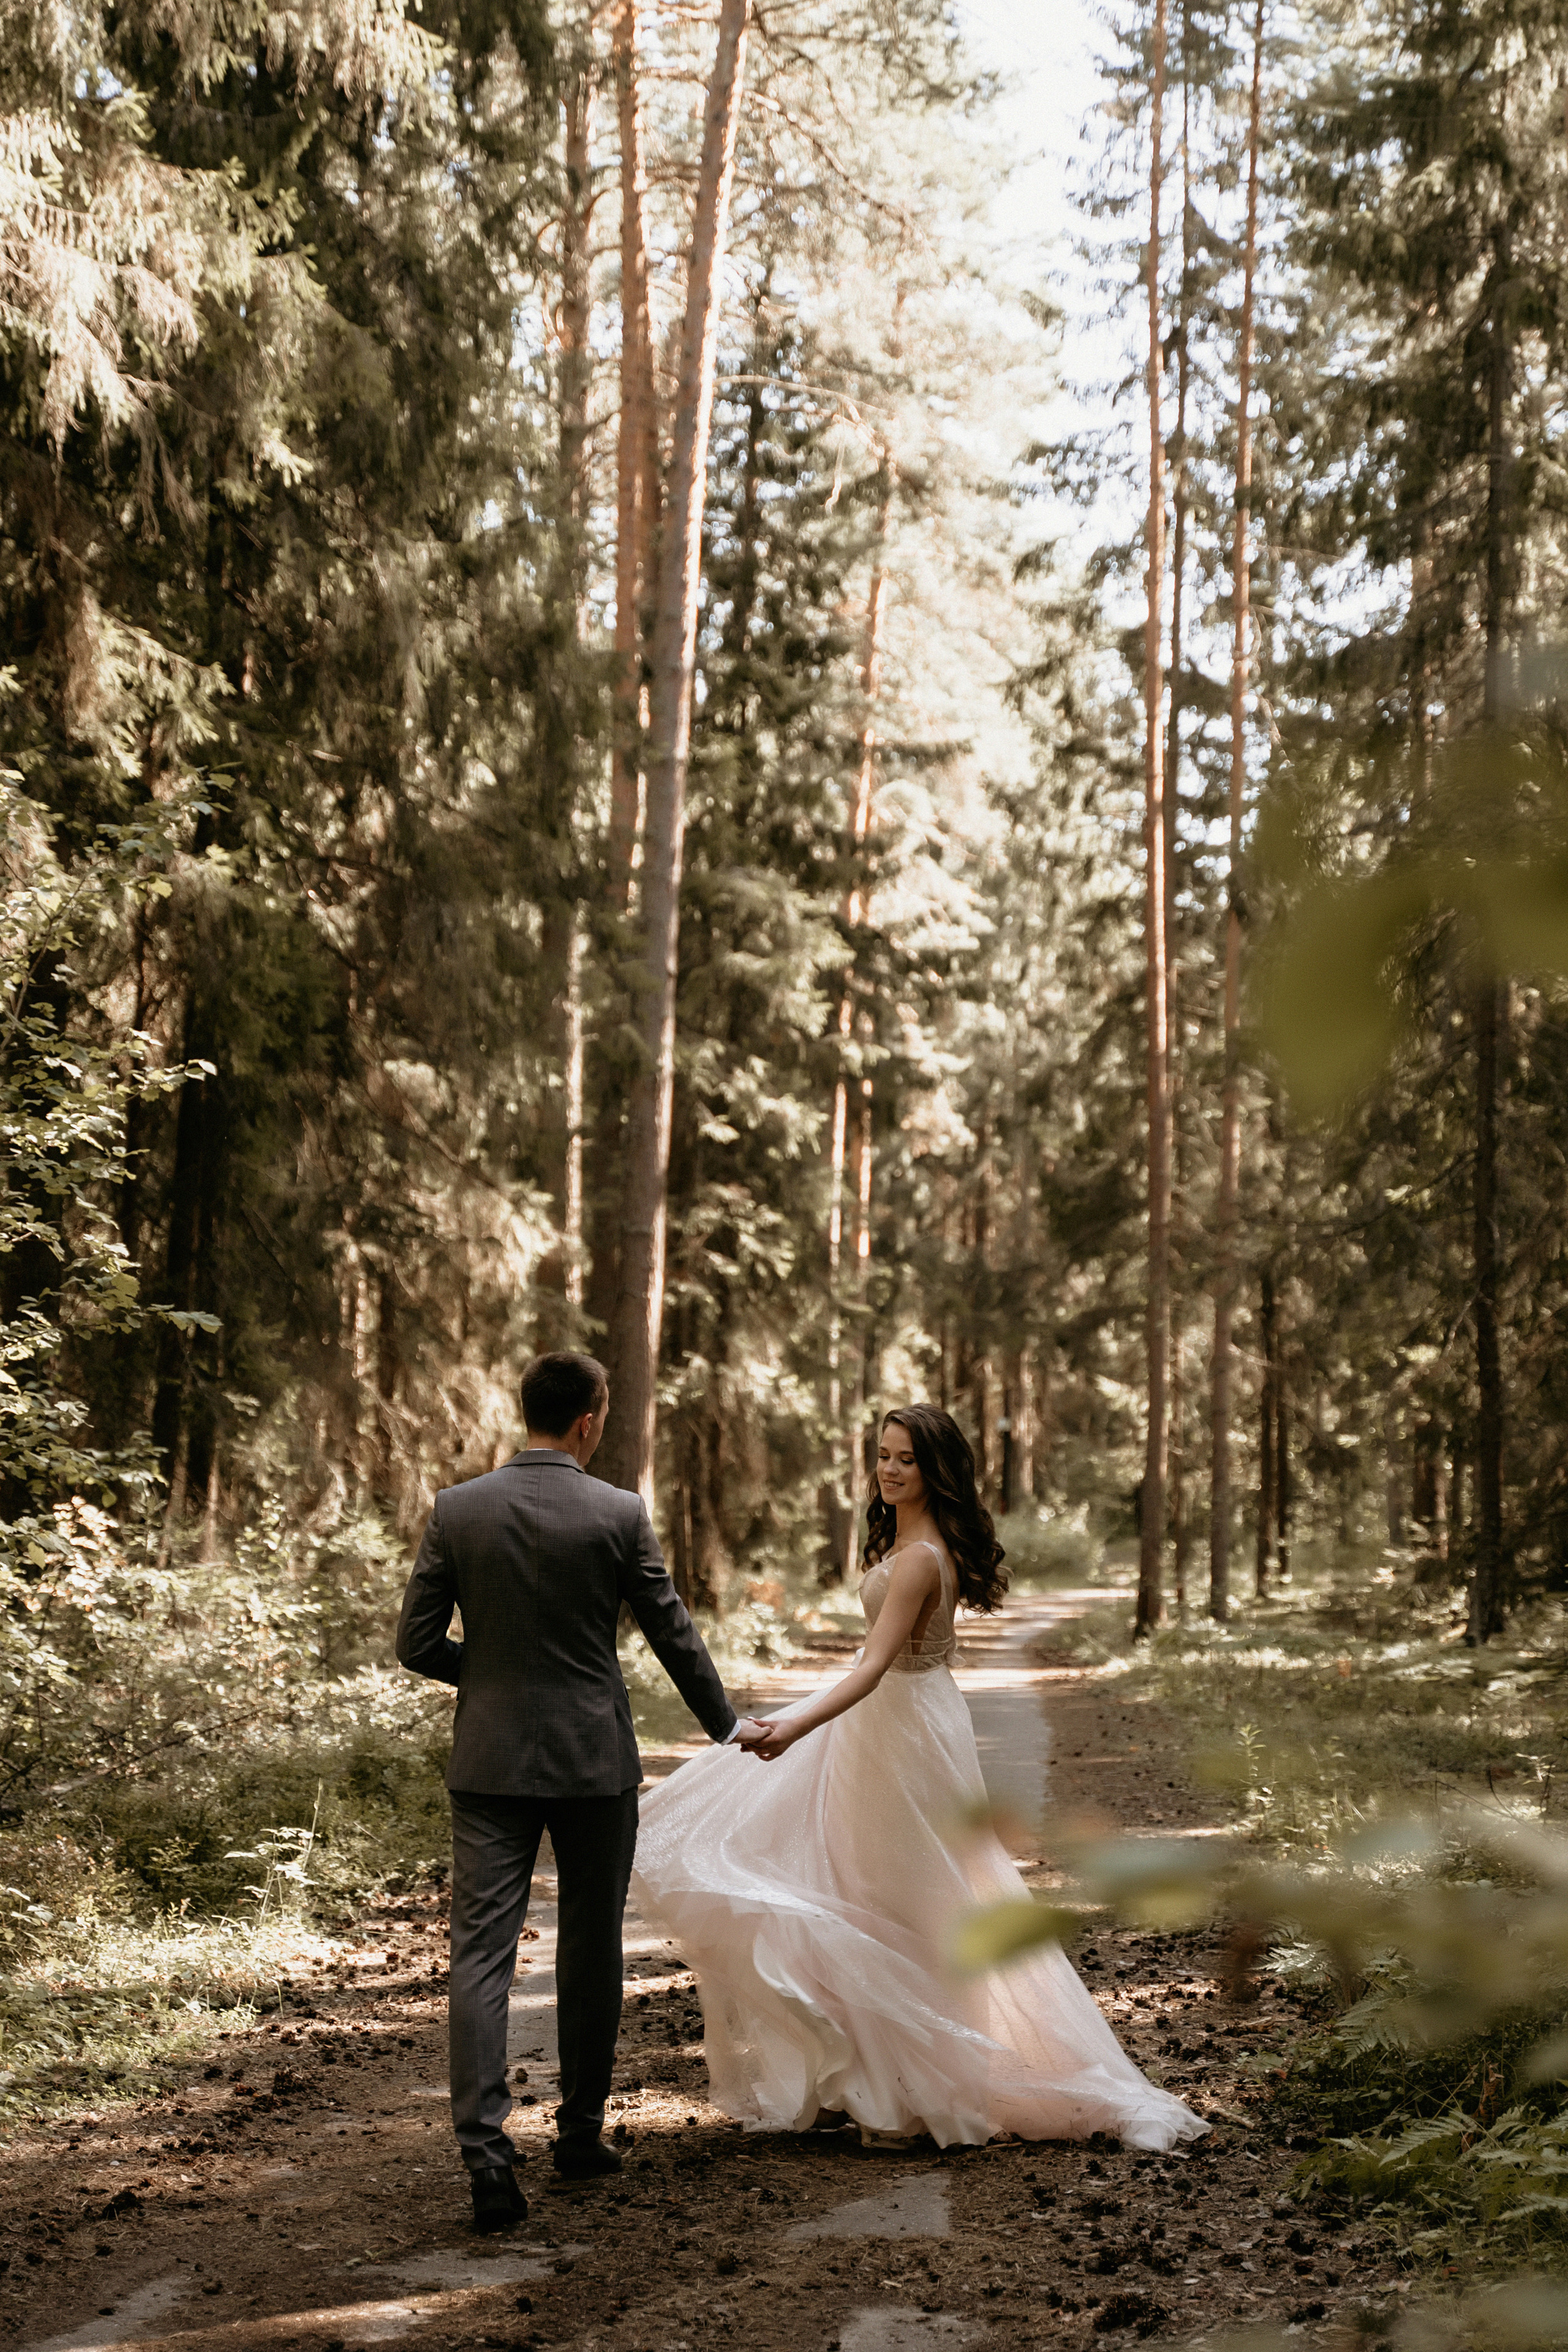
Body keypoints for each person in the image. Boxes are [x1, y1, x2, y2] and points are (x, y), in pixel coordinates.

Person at [631, 1403, 1207, 2152]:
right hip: (894, 1723)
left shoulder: (920, 1558)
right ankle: (871, 2079)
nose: (890, 1469)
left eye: (906, 1458)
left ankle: (918, 2093)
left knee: (917, 1899)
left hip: (903, 1731)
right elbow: (876, 1667)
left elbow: (872, 1667)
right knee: (863, 1891)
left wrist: (795, 1727)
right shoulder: (909, 1544)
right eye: (883, 1455)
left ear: (936, 1470)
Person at [395, 1351, 764, 2231]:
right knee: (590, 1946)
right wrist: (727, 1726)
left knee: (481, 1955)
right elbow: (673, 1632)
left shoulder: (458, 1509)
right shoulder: (617, 1513)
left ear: (526, 1412)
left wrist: (482, 1680)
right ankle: (580, 2132)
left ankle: (486, 2158)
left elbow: (415, 1643)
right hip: (595, 1763)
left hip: (488, 1766)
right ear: (590, 1422)